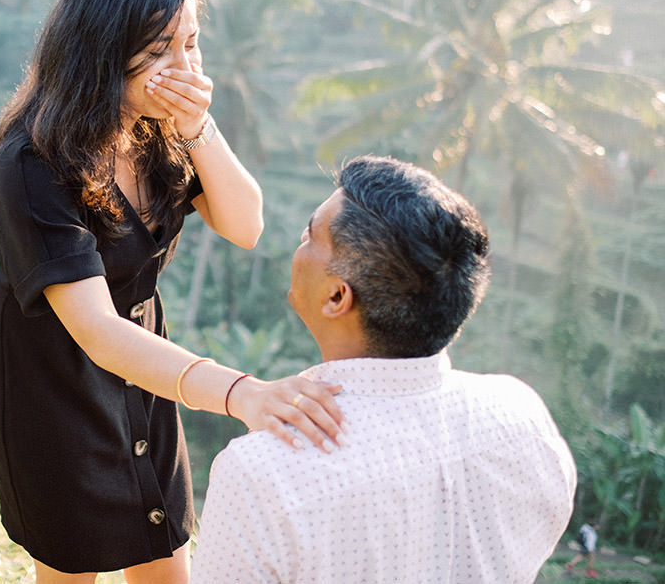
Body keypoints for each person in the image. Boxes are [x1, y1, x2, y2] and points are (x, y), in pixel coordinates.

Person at [0, 0, 346, 583]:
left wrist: (201, 124)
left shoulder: (161, 130)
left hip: (148, 368)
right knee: (72, 565)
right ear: (100, 51)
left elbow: (246, 225)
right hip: (54, 387)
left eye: (192, 45)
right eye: (157, 51)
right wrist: (243, 394)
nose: (183, 68)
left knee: (166, 554)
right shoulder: (32, 165)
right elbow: (94, 329)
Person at [191, 155, 577, 583]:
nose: (300, 241)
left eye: (311, 234)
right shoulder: (520, 414)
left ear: (337, 297)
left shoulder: (265, 472)